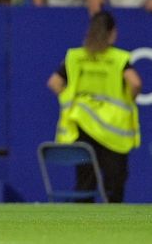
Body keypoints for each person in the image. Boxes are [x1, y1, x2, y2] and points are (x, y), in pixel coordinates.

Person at [46, 11, 142, 203]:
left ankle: (83, 225)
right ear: (112, 33)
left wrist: (73, 101)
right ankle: (112, 223)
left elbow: (54, 82)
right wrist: (127, 99)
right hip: (113, 129)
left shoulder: (75, 56)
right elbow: (136, 83)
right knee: (115, 181)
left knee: (85, 179)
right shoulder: (118, 58)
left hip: (83, 123)